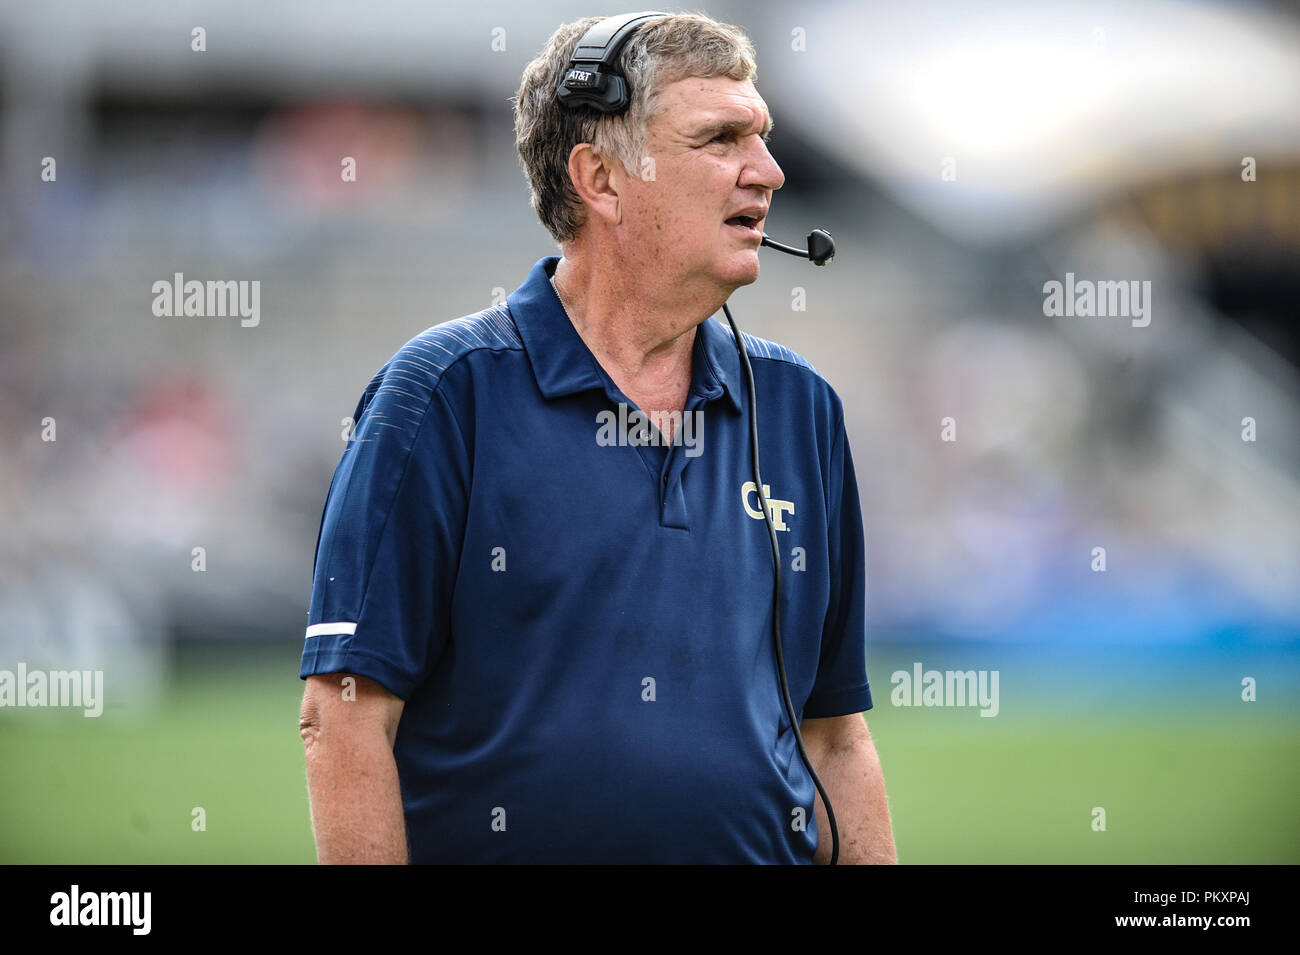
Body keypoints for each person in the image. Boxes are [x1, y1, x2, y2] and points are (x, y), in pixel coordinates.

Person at [297, 11, 896, 865]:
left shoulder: (801, 408)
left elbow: (835, 736)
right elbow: (344, 713)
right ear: (602, 179)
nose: (768, 170)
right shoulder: (442, 394)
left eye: (760, 135)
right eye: (721, 138)